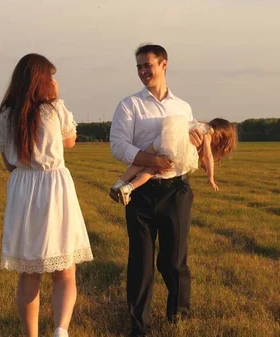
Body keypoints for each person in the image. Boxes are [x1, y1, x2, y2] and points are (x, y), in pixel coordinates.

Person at [0, 53, 93, 337]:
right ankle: (60, 331)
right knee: (64, 269)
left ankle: (31, 335)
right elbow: (70, 142)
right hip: (53, 188)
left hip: (23, 190)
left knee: (29, 271)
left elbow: (8, 164)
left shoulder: (5, 116)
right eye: (51, 76)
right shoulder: (55, 109)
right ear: (42, 80)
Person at [110, 43, 204, 337]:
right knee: (140, 261)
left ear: (164, 65)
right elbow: (119, 145)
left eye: (147, 65)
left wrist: (198, 142)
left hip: (176, 189)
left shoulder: (183, 106)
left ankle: (179, 317)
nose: (142, 71)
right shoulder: (129, 105)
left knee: (174, 260)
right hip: (142, 193)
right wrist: (153, 160)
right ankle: (139, 327)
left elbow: (190, 142)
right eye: (138, 66)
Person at [109, 116, 238, 205]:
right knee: (151, 170)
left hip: (162, 138)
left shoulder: (200, 125)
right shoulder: (209, 133)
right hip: (173, 147)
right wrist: (211, 177)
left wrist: (203, 163)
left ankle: (118, 184)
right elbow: (208, 156)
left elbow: (203, 157)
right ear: (220, 135)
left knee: (141, 162)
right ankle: (129, 188)